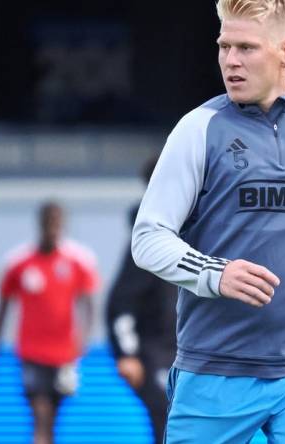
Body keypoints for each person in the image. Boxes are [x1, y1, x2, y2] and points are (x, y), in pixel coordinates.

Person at [131, 1, 285, 442]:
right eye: (224, 46)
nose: (231, 60)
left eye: (246, 47)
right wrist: (216, 273)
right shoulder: (198, 129)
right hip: (214, 370)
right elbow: (148, 238)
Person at [0, 202, 100, 444]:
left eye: (57, 222)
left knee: (53, 416)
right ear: (39, 223)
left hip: (64, 354)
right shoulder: (19, 263)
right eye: (48, 222)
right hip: (31, 352)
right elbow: (2, 308)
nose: (52, 228)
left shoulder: (77, 260)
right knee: (40, 413)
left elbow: (89, 304)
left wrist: (83, 341)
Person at [105, 156, 177, 444]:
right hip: (154, 355)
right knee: (170, 421)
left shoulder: (186, 233)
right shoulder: (148, 241)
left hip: (184, 351)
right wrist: (128, 354)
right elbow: (120, 303)